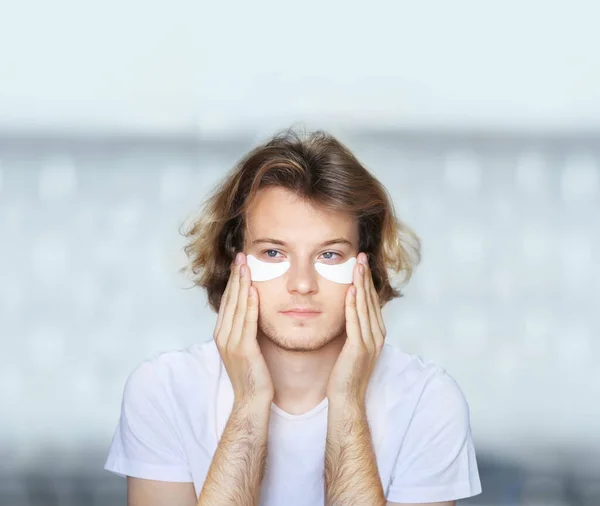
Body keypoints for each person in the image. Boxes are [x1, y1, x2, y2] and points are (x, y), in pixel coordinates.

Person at [104, 128, 482, 506]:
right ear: (235, 258)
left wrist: (348, 402)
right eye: (272, 253)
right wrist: (250, 403)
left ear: (366, 265)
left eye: (329, 255)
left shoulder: (427, 401)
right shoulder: (162, 391)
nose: (302, 283)